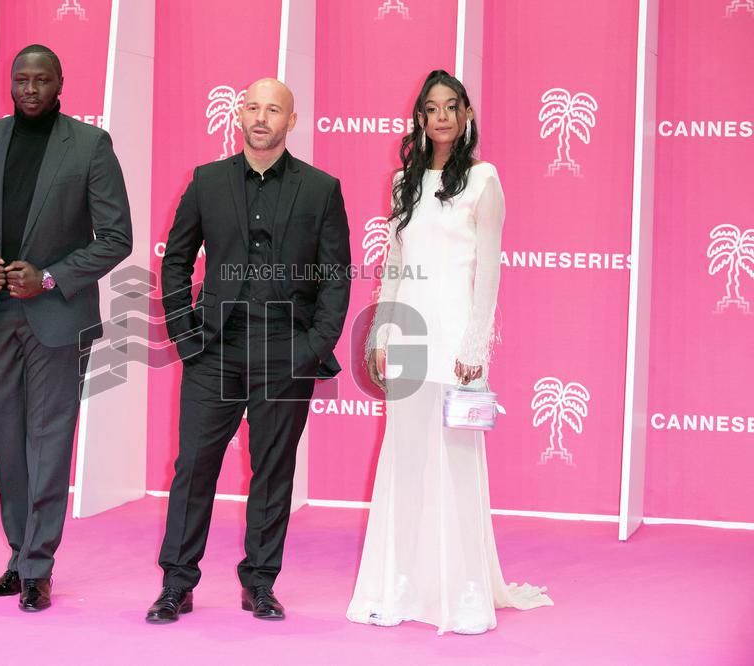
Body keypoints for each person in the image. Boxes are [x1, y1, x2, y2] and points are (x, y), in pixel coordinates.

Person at [347, 70, 552, 634]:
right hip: (410, 336)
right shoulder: (402, 185)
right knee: (405, 458)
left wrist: (475, 345)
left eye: (451, 106)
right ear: (420, 118)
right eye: (431, 108)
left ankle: (460, 594)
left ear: (465, 115)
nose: (440, 116)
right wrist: (381, 334)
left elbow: (488, 270)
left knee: (457, 461)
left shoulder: (484, 181)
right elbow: (394, 268)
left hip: (456, 337)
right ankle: (399, 587)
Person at [147, 78, 351, 623]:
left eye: (274, 109)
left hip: (287, 352)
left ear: (292, 120)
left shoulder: (321, 189)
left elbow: (335, 278)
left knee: (273, 472)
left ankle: (260, 583)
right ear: (240, 115)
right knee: (192, 468)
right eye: (254, 107)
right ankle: (177, 584)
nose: (262, 118)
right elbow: (175, 259)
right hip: (214, 350)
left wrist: (313, 347)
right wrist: (183, 334)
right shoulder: (207, 182)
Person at [0, 44, 132, 612]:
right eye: (21, 79)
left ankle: (38, 566)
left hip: (56, 317)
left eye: (41, 79)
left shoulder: (91, 145)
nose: (29, 88)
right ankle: (18, 555)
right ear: (11, 83)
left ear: (60, 83)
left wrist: (47, 279)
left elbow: (116, 237)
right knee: (7, 442)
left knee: (48, 441)